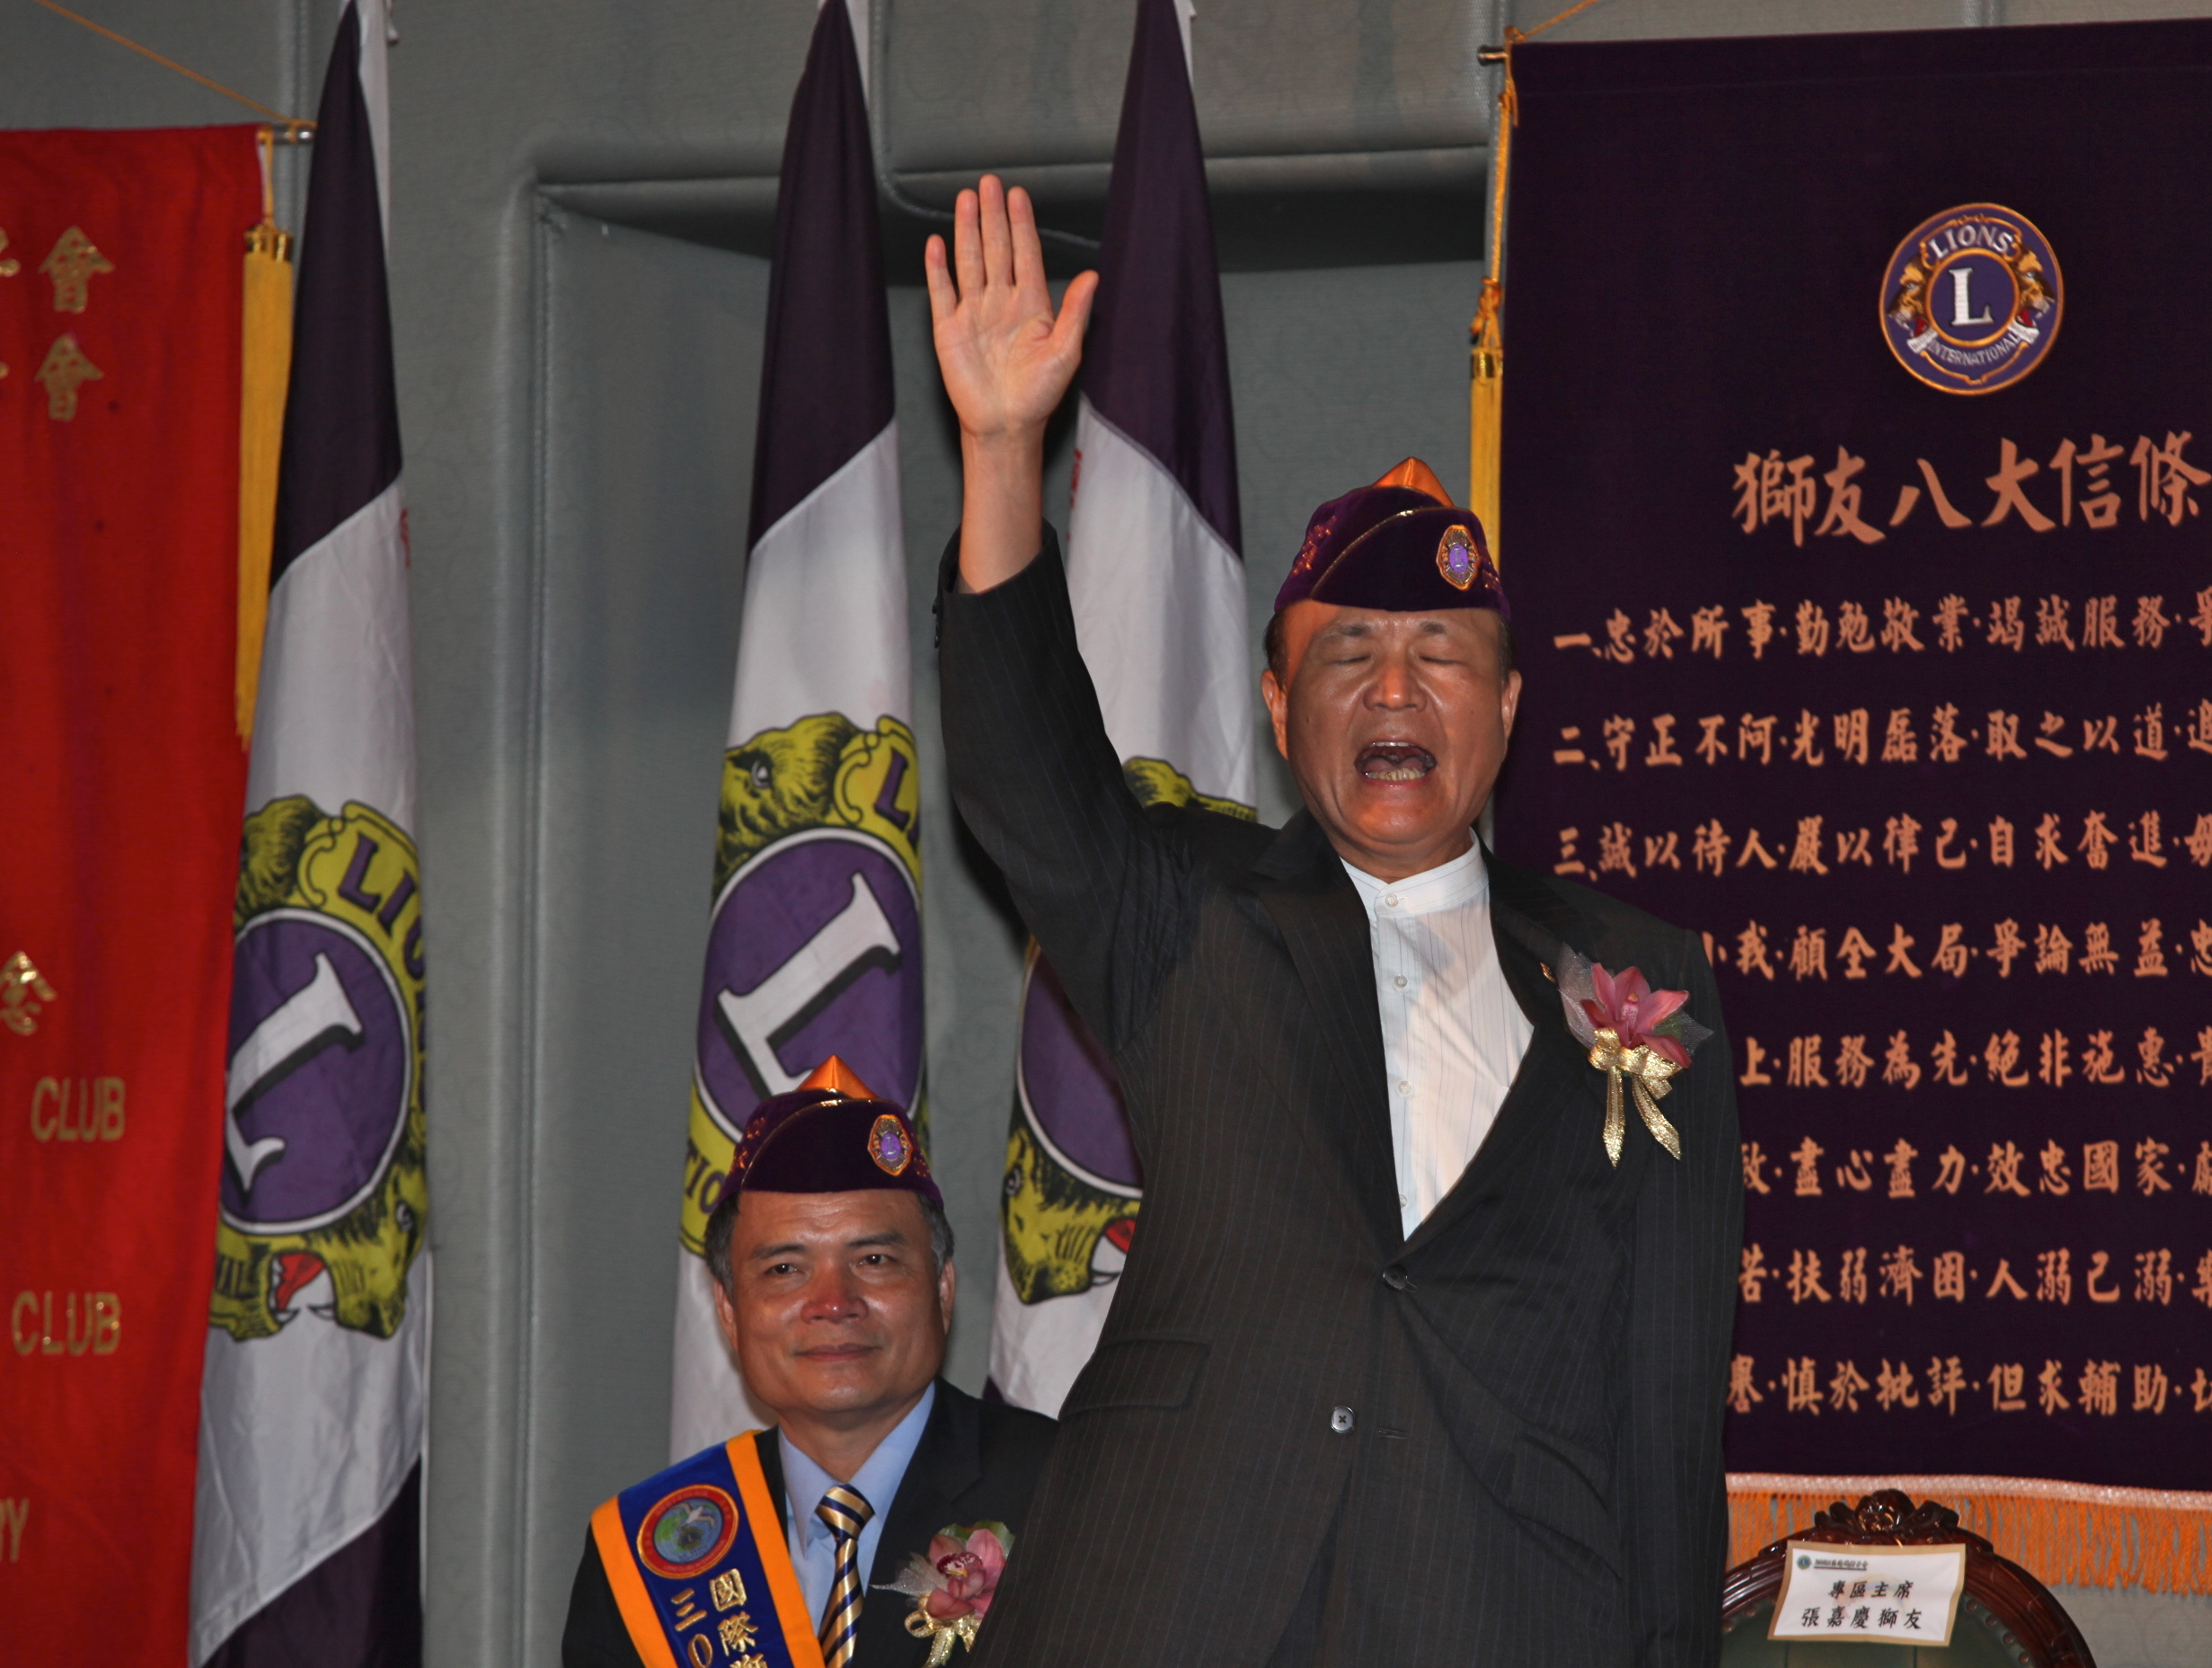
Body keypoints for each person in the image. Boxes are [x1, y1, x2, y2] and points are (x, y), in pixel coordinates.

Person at [927, 176, 1744, 1666]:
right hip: (1177, 1605)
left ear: (1506, 709)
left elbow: (1667, 1397)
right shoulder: (1185, 909)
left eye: (1440, 654)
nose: (1393, 687)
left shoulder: (1642, 981)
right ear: (1274, 703)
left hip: (1491, 1610)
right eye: (1347, 651)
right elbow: (1024, 773)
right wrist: (997, 450)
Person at [562, 1060, 1054, 1668]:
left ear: (943, 1290)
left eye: (873, 1260)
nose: (833, 1303)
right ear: (729, 1311)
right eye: (784, 1269)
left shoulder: (1070, 1491)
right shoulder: (643, 1555)